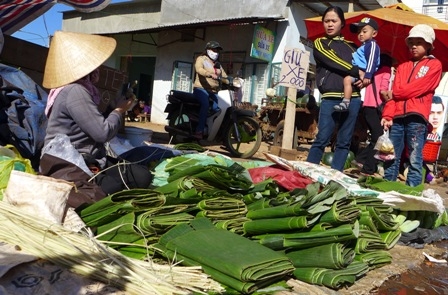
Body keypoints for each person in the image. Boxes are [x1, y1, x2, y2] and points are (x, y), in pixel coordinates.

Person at [39, 31, 152, 208]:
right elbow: (102, 133)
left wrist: (114, 107)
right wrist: (119, 110)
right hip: (69, 161)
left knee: (142, 175)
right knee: (113, 187)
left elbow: (92, 121)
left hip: (89, 156)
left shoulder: (78, 89)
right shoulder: (75, 91)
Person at [381, 24, 443, 187]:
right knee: (390, 157)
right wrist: (387, 114)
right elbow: (393, 93)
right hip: (397, 118)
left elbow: (420, 87)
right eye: (411, 42)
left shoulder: (435, 65)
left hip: (417, 118)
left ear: (429, 44)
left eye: (419, 42)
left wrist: (396, 93)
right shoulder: (402, 66)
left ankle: (412, 193)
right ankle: (388, 189)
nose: (414, 46)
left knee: (415, 159)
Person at [306, 6, 364, 171]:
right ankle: (307, 174)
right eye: (326, 21)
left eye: (334, 21)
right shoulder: (320, 43)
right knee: (322, 139)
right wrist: (354, 71)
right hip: (330, 97)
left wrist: (365, 79)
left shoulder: (353, 46)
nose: (330, 24)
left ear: (342, 23)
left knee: (345, 141)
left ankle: (336, 177)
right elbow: (333, 60)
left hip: (353, 98)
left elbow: (364, 67)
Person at [353, 53, 393, 176]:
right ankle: (368, 168)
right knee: (378, 138)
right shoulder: (386, 71)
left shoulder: (374, 72)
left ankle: (360, 159)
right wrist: (391, 98)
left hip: (366, 108)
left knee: (376, 138)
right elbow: (383, 90)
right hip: (375, 108)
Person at [334, 17, 381, 111]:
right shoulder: (363, 46)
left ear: (374, 33)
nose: (361, 34)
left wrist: (368, 75)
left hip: (364, 72)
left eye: (364, 31)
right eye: (359, 32)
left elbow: (372, 60)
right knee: (347, 80)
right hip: (358, 72)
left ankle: (345, 102)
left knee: (347, 80)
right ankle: (346, 101)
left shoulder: (371, 45)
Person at [193, 41, 228, 139]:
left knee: (220, 108)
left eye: (217, 50)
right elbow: (199, 69)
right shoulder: (201, 59)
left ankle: (211, 128)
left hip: (213, 91)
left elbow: (224, 76)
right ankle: (199, 130)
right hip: (201, 89)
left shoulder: (218, 64)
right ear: (208, 50)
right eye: (214, 49)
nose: (216, 52)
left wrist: (232, 80)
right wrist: (209, 74)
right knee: (205, 104)